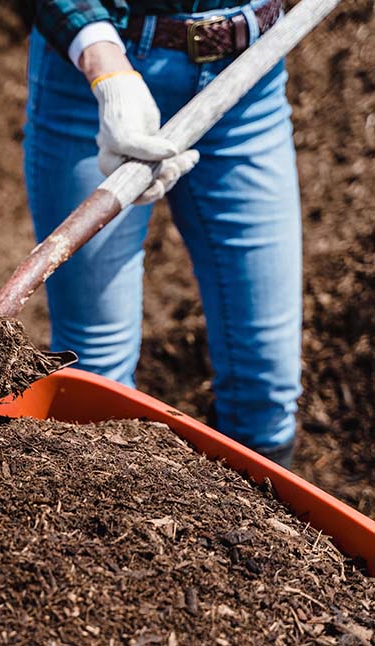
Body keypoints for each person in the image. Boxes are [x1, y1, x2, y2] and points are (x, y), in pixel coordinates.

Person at [24, 0, 300, 467]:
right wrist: (107, 68)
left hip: (249, 74)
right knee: (97, 375)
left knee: (267, 384)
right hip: (98, 76)